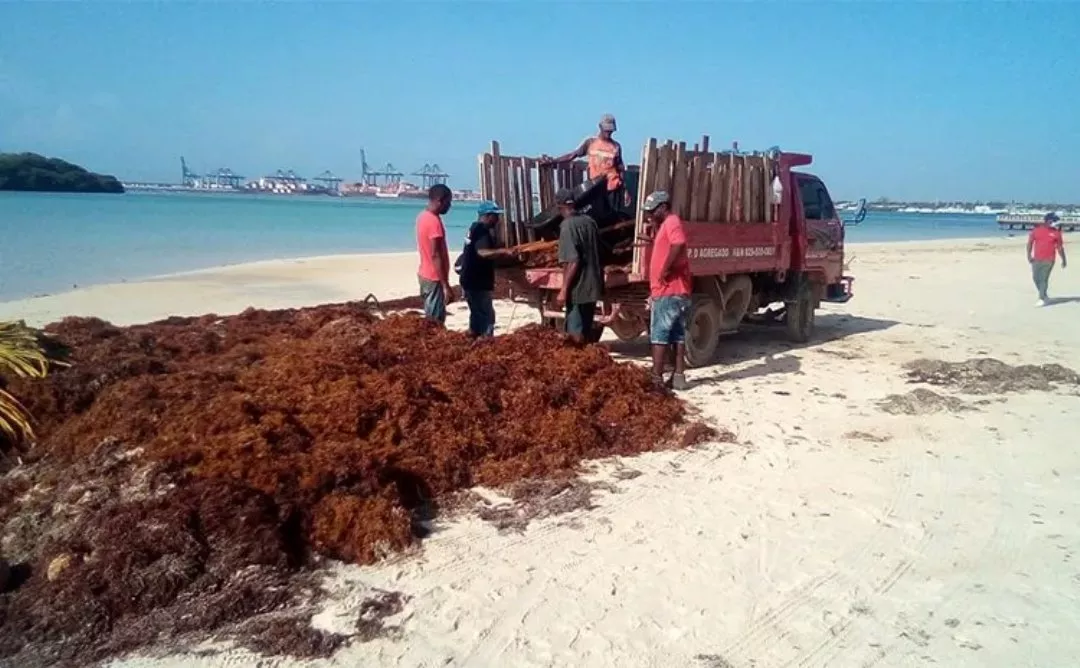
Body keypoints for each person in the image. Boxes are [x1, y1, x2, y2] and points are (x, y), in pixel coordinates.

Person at [642, 191, 692, 390]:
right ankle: (678, 376)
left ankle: (656, 379)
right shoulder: (666, 224)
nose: (649, 215)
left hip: (668, 291)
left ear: (663, 207)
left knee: (659, 335)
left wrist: (665, 269)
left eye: (652, 211)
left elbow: (678, 243)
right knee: (678, 335)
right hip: (677, 291)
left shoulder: (672, 221)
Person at [540, 114, 627, 213]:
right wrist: (553, 161)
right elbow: (572, 155)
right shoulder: (590, 143)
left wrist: (625, 190)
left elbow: (620, 168)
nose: (609, 132)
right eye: (606, 130)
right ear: (600, 127)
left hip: (612, 187)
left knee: (613, 215)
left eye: (610, 130)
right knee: (598, 215)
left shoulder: (616, 146)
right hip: (596, 188)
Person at [554, 188, 604, 344]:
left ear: (560, 206)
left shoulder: (567, 226)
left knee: (575, 331)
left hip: (578, 288)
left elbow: (573, 261)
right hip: (593, 284)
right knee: (586, 327)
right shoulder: (590, 222)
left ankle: (577, 361)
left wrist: (563, 290)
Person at [457, 200, 503, 337]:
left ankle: (474, 340)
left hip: (469, 280)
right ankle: (485, 343)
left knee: (477, 314)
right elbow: (482, 252)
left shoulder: (473, 228)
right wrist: (503, 251)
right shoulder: (482, 231)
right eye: (496, 216)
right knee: (486, 317)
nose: (498, 219)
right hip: (477, 281)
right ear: (488, 216)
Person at [415, 183, 455, 324]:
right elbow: (435, 255)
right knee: (435, 321)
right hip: (434, 277)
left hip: (424, 273)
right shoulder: (433, 222)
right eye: (448, 202)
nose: (449, 206)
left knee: (431, 315)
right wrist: (445, 285)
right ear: (439, 201)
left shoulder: (422, 216)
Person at [1028, 212, 1067, 307]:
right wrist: (1029, 255)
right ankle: (1045, 296)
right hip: (1036, 258)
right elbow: (1030, 243)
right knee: (1035, 278)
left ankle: (1041, 298)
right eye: (1054, 220)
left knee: (1044, 278)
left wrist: (1064, 260)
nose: (1056, 223)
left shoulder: (1057, 233)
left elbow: (1060, 248)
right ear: (1048, 221)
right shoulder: (1036, 230)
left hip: (1049, 259)